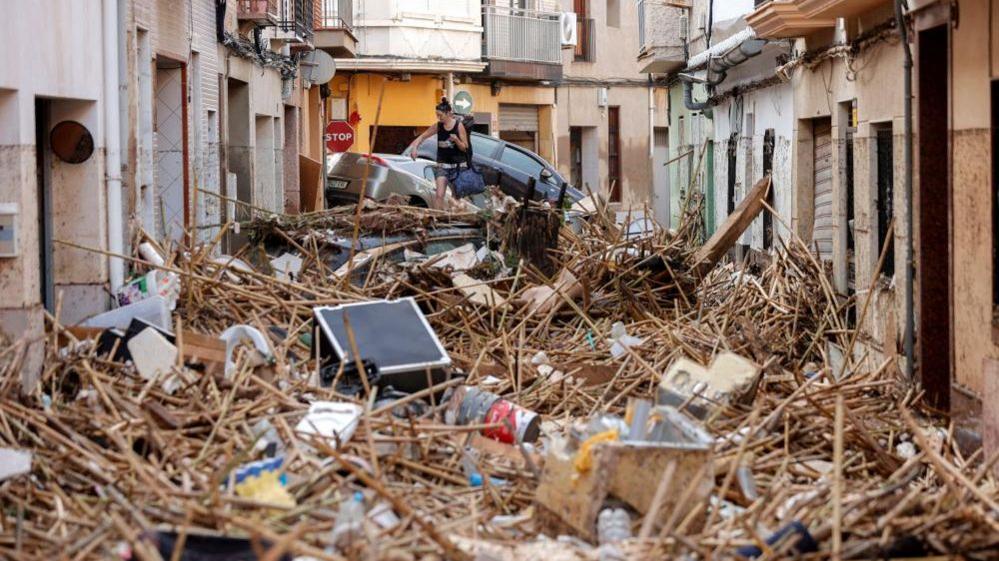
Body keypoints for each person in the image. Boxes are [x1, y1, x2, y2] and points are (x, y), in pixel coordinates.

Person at [409, 97, 469, 209]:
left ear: (448, 114)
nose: (438, 117)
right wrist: (414, 148)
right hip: (442, 166)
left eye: (440, 115)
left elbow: (465, 148)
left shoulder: (458, 126)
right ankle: (437, 219)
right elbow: (422, 136)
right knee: (439, 195)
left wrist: (456, 140)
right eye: (437, 115)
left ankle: (453, 220)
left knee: (456, 198)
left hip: (458, 167)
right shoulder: (438, 126)